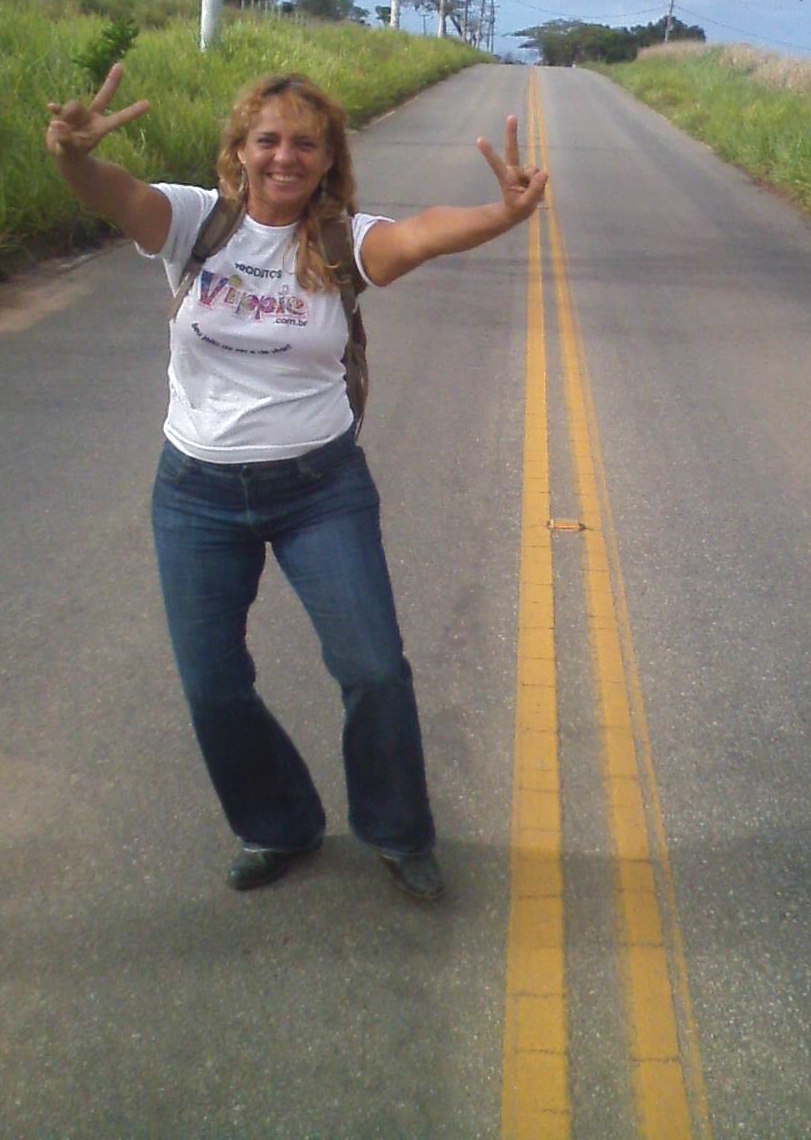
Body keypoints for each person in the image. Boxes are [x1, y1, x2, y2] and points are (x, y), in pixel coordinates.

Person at [45, 64, 548, 901]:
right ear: (239, 150)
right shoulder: (195, 226)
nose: (284, 156)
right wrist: (69, 155)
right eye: (267, 139)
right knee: (213, 684)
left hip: (320, 488)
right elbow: (112, 191)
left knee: (375, 668)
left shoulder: (343, 241)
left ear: (327, 161)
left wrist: (504, 212)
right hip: (197, 492)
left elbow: (422, 232)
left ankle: (396, 829)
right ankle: (277, 822)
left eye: (304, 144)